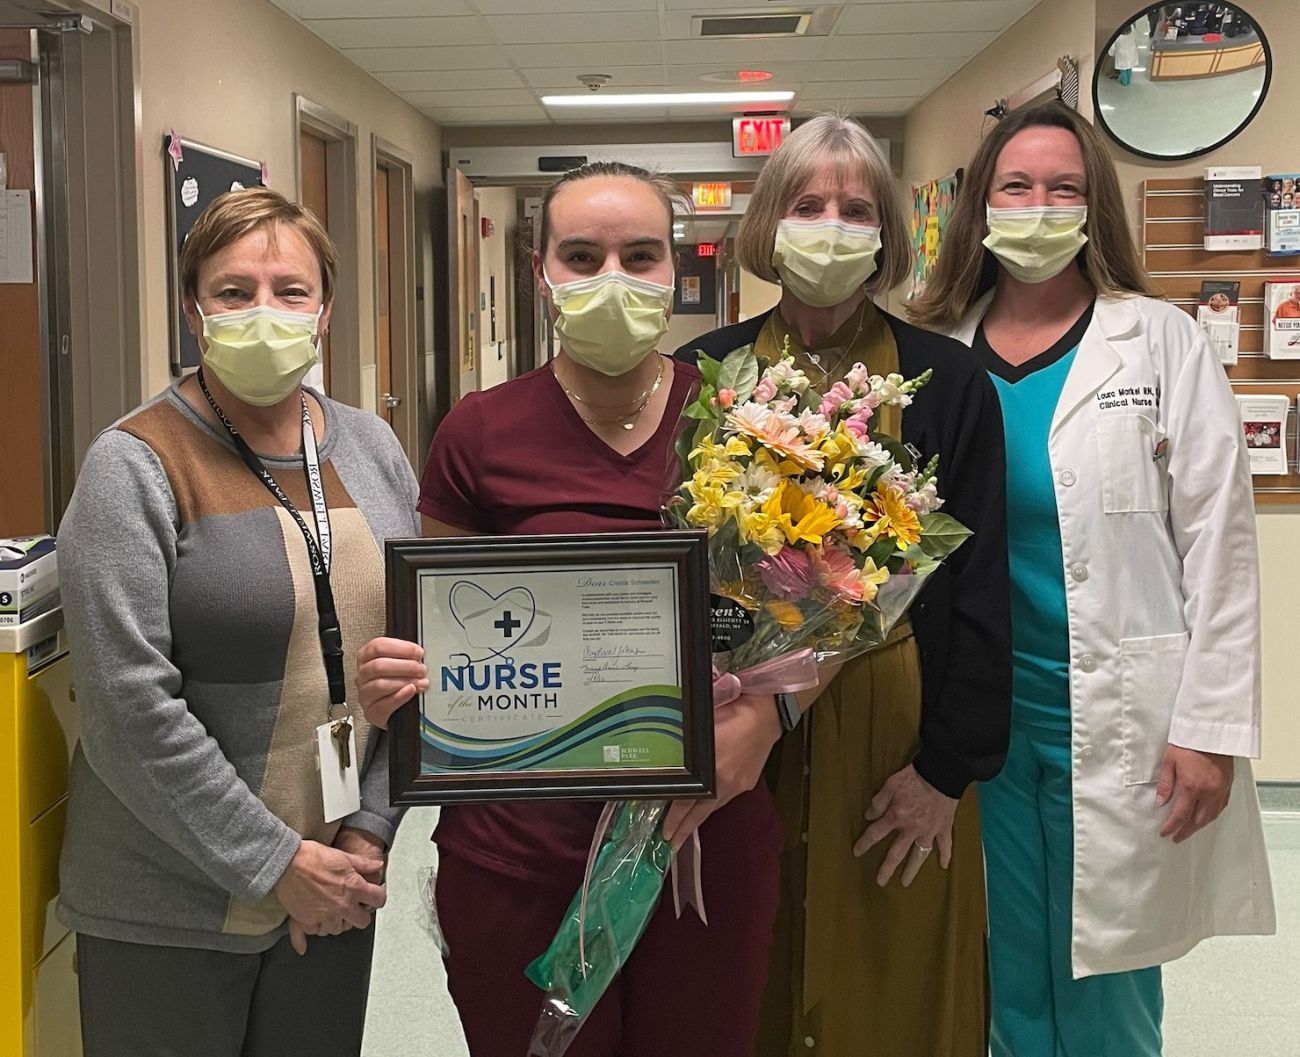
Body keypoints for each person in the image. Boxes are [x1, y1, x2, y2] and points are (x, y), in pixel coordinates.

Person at [356, 160, 792, 1057]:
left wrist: (777, 714)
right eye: (582, 256)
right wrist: (404, 673)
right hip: (521, 843)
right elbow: (443, 626)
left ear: (677, 270)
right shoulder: (479, 431)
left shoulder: (747, 421)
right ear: (540, 274)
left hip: (696, 835)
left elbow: (813, 617)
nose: (613, 280)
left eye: (640, 255)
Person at [908, 101, 1276, 1057]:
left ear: (1093, 207)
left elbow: (1221, 549)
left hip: (1120, 712)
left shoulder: (1160, 342)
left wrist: (1209, 728)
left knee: (1108, 974)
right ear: (979, 206)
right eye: (1016, 187)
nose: (1040, 206)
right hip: (979, 710)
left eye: (1063, 188)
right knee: (1004, 956)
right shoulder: (939, 351)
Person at [675, 113, 1012, 1057]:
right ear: (767, 224)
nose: (830, 224)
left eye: (855, 208)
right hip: (743, 725)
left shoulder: (948, 380)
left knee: (893, 985)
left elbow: (977, 583)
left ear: (887, 235)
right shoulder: (703, 372)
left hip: (895, 729)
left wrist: (948, 772)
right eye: (806, 203)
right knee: (750, 973)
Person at [56, 187, 419, 1057]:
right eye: (233, 291)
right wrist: (275, 864)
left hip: (336, 884)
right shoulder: (135, 465)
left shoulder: (369, 447)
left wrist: (366, 831)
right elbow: (127, 708)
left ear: (325, 310)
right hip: (167, 905)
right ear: (195, 310)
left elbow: (414, 662)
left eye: (290, 291)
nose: (265, 312)